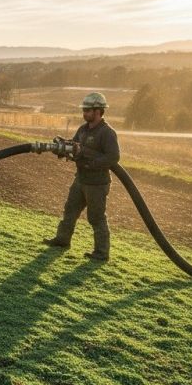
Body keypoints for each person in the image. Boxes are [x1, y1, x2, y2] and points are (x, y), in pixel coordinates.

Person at [43, 92, 120, 261]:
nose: (84, 113)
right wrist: (64, 146)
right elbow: (75, 145)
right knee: (70, 210)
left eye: (87, 110)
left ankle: (101, 253)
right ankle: (62, 240)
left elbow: (113, 157)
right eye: (84, 109)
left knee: (96, 217)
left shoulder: (107, 133)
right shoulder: (83, 129)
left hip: (97, 183)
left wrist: (91, 164)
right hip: (81, 179)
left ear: (98, 111)